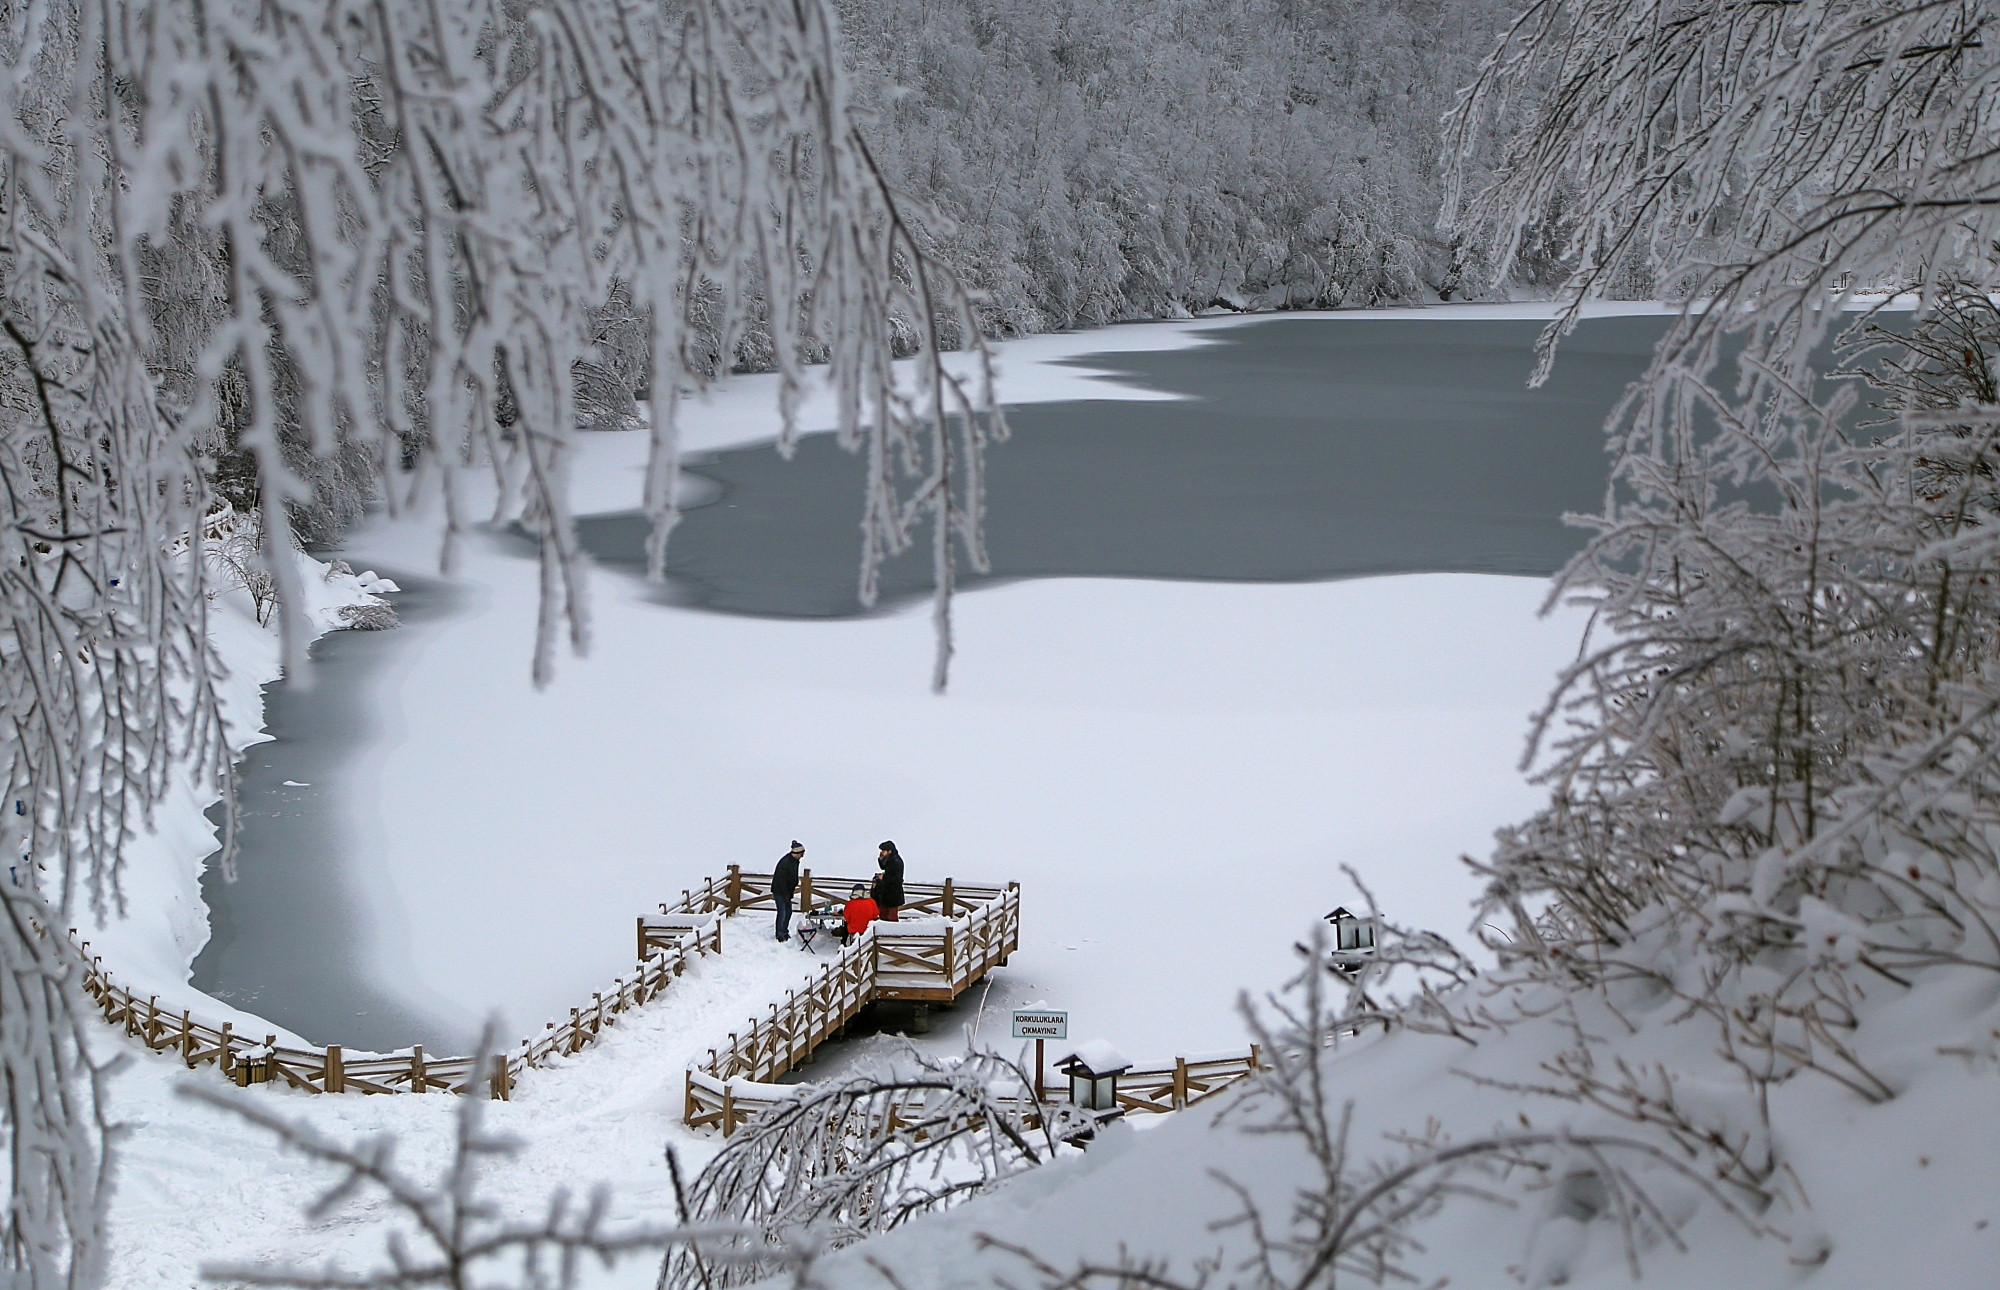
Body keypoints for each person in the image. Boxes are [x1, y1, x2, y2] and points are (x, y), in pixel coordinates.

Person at [773, 840, 803, 942]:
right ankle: (779, 934)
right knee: (782, 912)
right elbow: (781, 880)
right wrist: (786, 893)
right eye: (801, 853)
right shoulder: (785, 863)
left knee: (788, 912)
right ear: (797, 853)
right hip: (780, 891)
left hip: (787, 891)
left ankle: (784, 931)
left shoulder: (794, 862)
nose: (802, 856)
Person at [872, 840, 905, 921]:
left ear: (889, 851)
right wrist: (880, 859)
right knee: (883, 914)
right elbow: (883, 867)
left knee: (891, 916)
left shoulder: (896, 861)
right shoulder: (891, 859)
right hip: (887, 893)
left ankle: (892, 932)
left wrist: (883, 878)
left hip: (893, 893)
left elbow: (896, 878)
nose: (882, 852)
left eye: (883, 851)